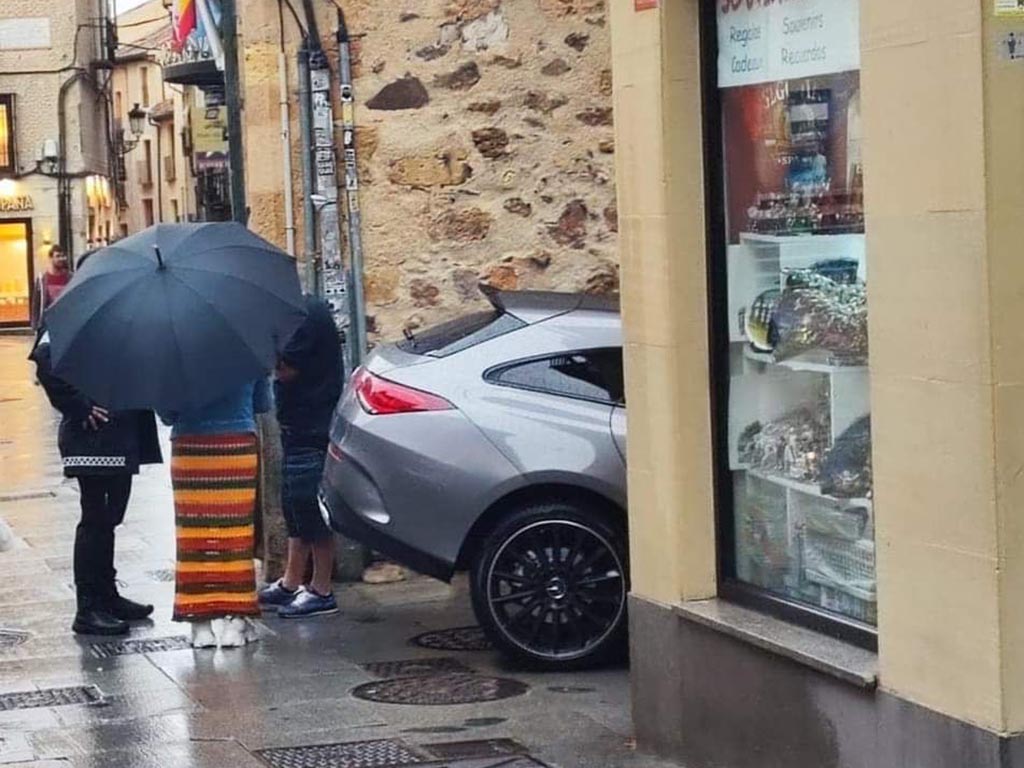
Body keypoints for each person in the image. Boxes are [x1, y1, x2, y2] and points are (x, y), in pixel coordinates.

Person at [29, 263, 163, 635]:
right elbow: (44, 359)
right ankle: (88, 607)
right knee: (96, 520)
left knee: (111, 518)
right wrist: (79, 405)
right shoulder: (72, 309)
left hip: (121, 431)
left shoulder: (118, 312)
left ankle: (106, 593)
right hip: (94, 435)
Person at [161, 379, 271, 648]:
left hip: (189, 447)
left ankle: (200, 626)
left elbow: (167, 414)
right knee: (237, 536)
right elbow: (263, 404)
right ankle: (237, 621)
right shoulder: (248, 349)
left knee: (193, 537)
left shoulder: (174, 355)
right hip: (236, 445)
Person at [258, 296, 343, 618]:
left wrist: (263, 352)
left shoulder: (303, 316)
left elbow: (287, 370)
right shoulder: (295, 315)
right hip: (299, 423)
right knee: (293, 505)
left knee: (310, 506)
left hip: (313, 424)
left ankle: (321, 589)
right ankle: (290, 582)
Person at [31, 244, 70, 330]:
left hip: (67, 321)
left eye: (63, 256)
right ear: (51, 258)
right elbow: (36, 303)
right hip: (48, 324)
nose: (61, 259)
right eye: (58, 256)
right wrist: (35, 324)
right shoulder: (42, 280)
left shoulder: (70, 277)